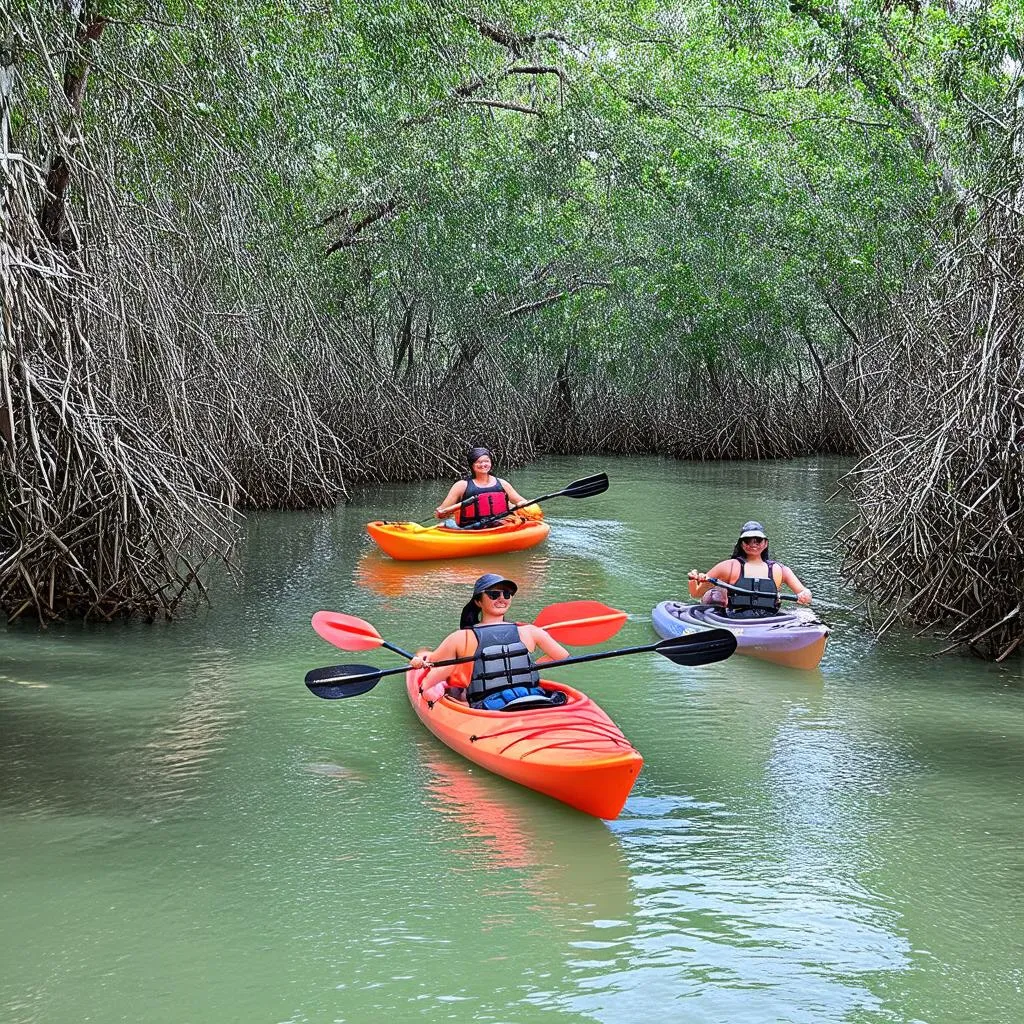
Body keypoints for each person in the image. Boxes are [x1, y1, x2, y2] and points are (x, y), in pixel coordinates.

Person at [409, 574, 570, 709]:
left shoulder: (461, 637)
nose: (501, 598)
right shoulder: (531, 632)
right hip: (535, 698)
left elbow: (432, 663)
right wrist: (529, 667)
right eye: (494, 594)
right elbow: (562, 656)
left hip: (489, 707)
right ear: (478, 601)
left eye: (506, 594)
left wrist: (419, 662)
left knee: (441, 681)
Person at [687, 520, 812, 618]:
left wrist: (805, 595)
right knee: (714, 596)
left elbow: (805, 594)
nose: (753, 544)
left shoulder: (779, 570)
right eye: (747, 540)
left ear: (765, 543)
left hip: (770, 619)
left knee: (806, 615)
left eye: (757, 540)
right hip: (736, 619)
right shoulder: (728, 566)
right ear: (742, 544)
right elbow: (696, 593)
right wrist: (693, 579)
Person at [435, 447, 530, 529]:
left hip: (501, 525)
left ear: (491, 463)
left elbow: (521, 502)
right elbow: (441, 512)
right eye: (479, 462)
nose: (483, 465)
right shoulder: (461, 486)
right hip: (471, 529)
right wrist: (441, 513)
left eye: (486, 461)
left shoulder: (502, 483)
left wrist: (523, 505)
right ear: (472, 465)